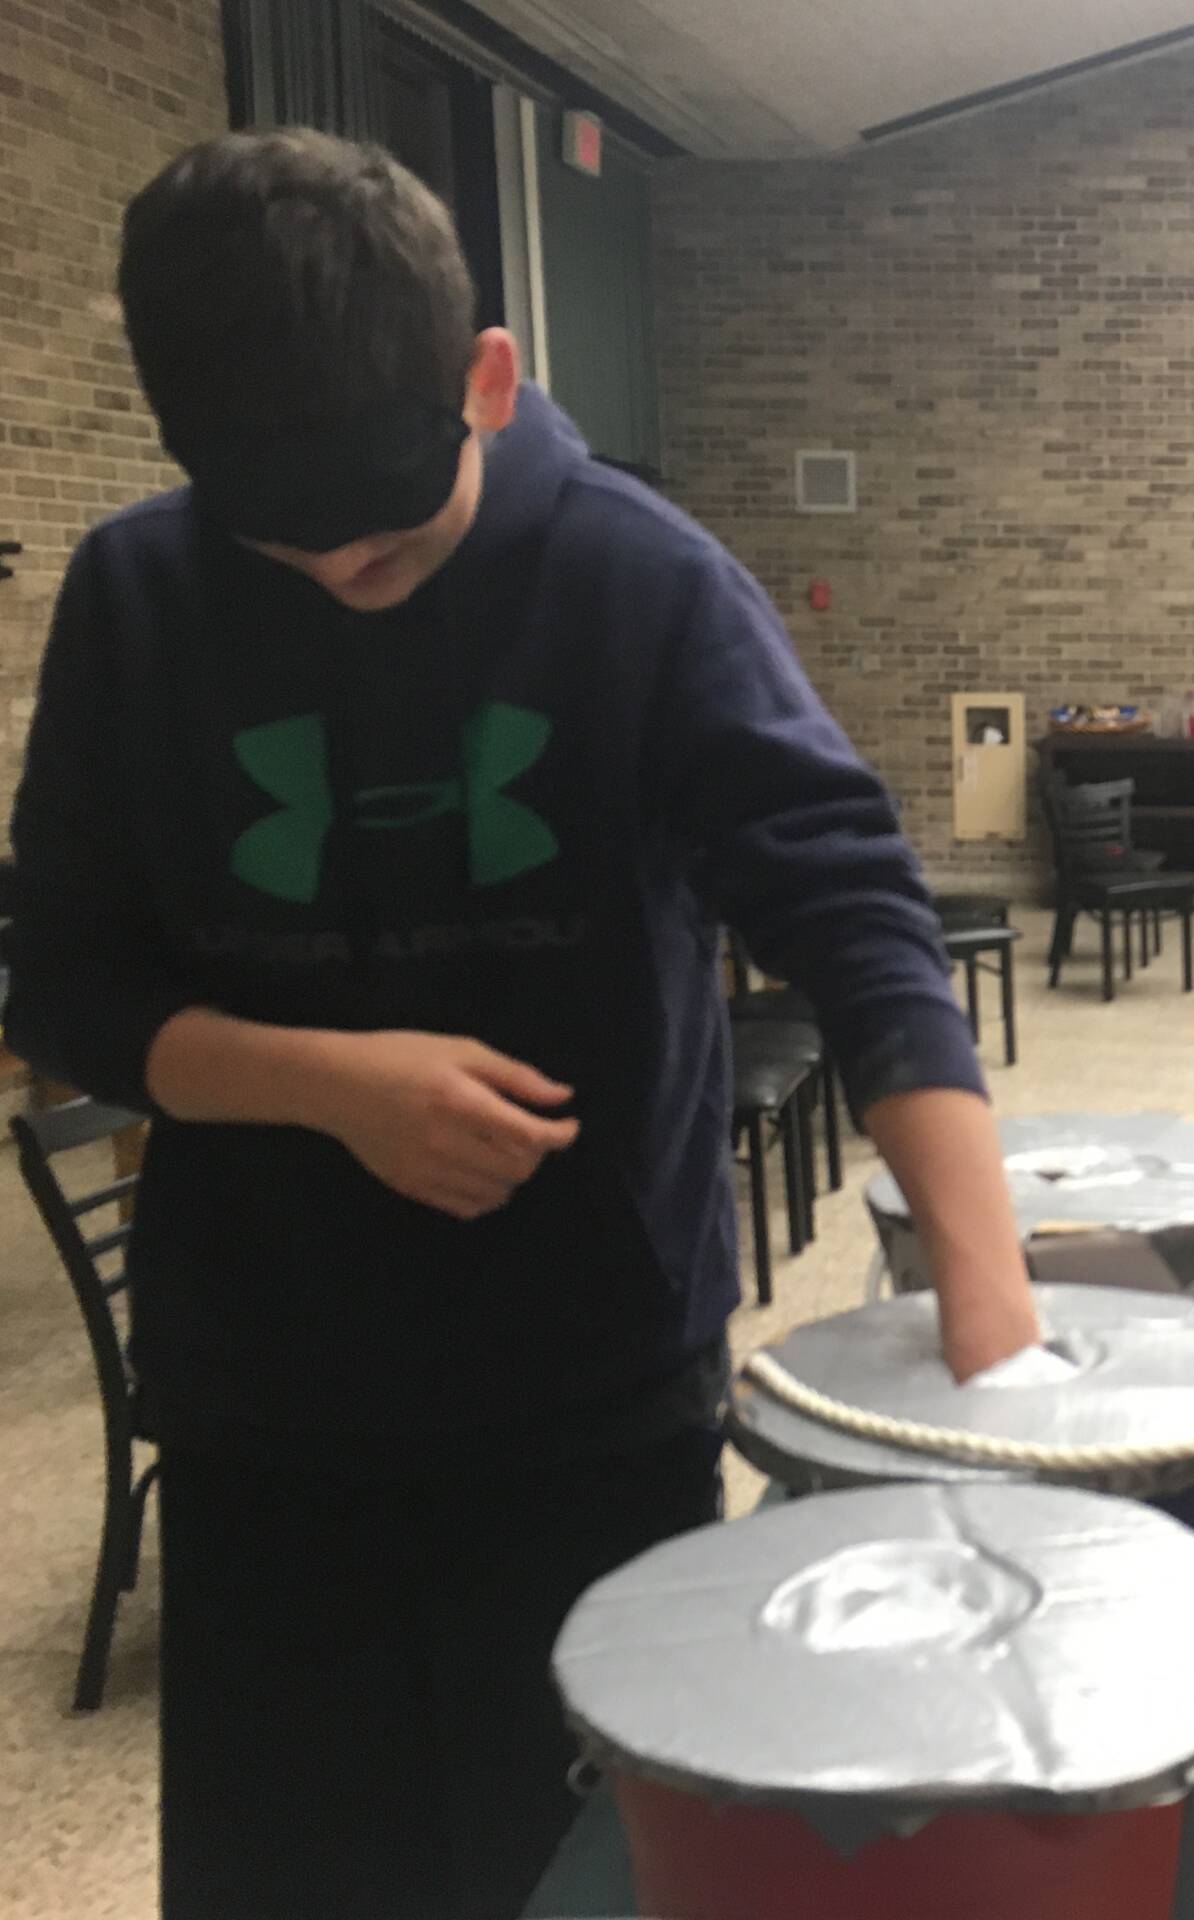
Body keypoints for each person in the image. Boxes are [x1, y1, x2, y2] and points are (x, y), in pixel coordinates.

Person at [5, 131, 1045, 1920]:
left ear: (486, 381)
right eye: (287, 552)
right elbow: (66, 983)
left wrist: (989, 1299)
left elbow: (851, 914)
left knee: (572, 1876)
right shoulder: (138, 593)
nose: (345, 588)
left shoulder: (638, 579)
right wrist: (325, 1086)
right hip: (268, 1415)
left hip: (585, 1397)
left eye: (389, 545)